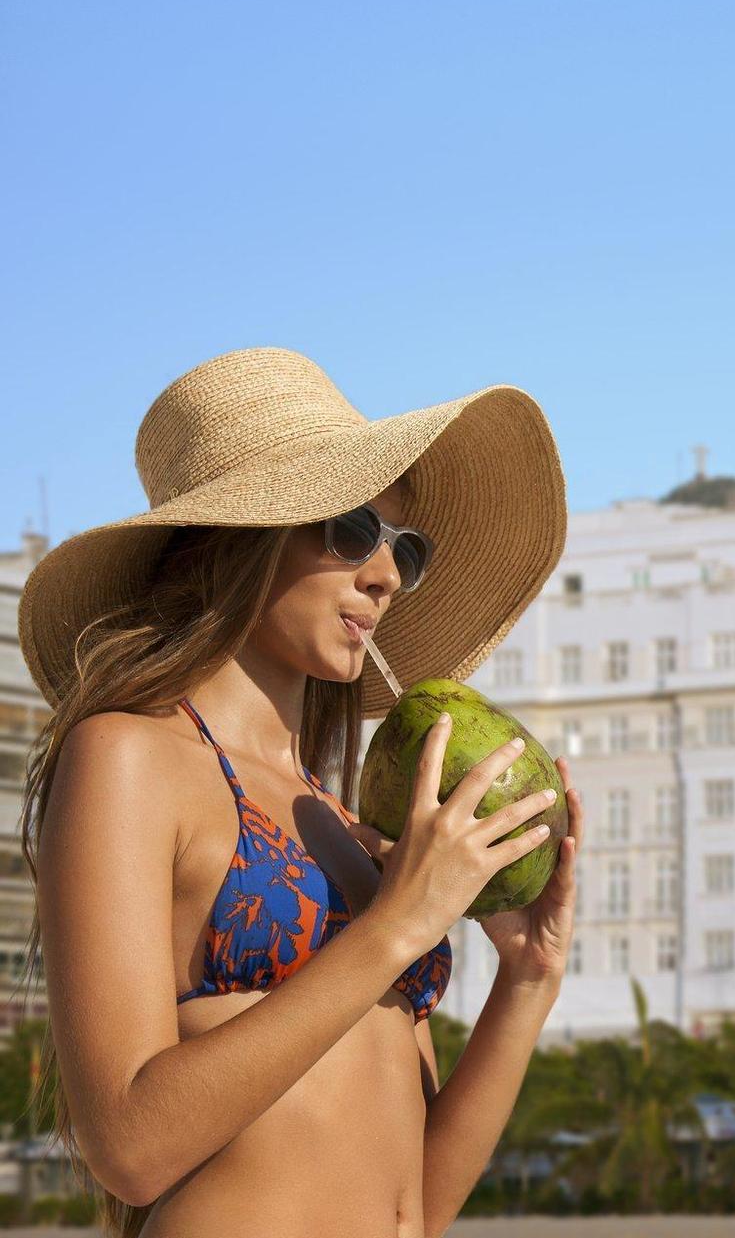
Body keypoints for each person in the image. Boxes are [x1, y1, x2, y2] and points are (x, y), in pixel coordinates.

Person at [17, 347, 579, 1237]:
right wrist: (397, 927)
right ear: (236, 538)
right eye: (353, 529)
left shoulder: (340, 816)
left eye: (406, 548)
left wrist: (528, 978)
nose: (386, 575)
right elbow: (126, 1141)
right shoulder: (128, 756)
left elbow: (418, 1202)